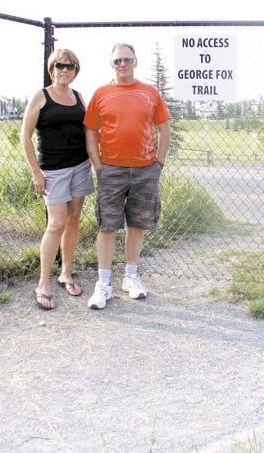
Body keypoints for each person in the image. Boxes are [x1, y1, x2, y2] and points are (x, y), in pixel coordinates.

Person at [84, 43, 171, 309]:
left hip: (145, 170)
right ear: (111, 64)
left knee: (137, 225)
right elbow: (91, 133)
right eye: (117, 61)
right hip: (111, 170)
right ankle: (104, 284)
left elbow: (163, 130)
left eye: (127, 60)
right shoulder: (100, 94)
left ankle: (131, 277)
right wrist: (99, 166)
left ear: (136, 61)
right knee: (108, 227)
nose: (122, 65)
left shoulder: (149, 93)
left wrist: (158, 164)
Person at [21, 48, 94, 310]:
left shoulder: (78, 97)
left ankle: (66, 273)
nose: (65, 70)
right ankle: (43, 283)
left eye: (71, 66)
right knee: (56, 224)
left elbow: (88, 131)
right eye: (60, 65)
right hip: (53, 170)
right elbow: (25, 136)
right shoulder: (41, 97)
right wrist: (36, 172)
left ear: (76, 71)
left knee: (74, 220)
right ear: (52, 69)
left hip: (80, 167)